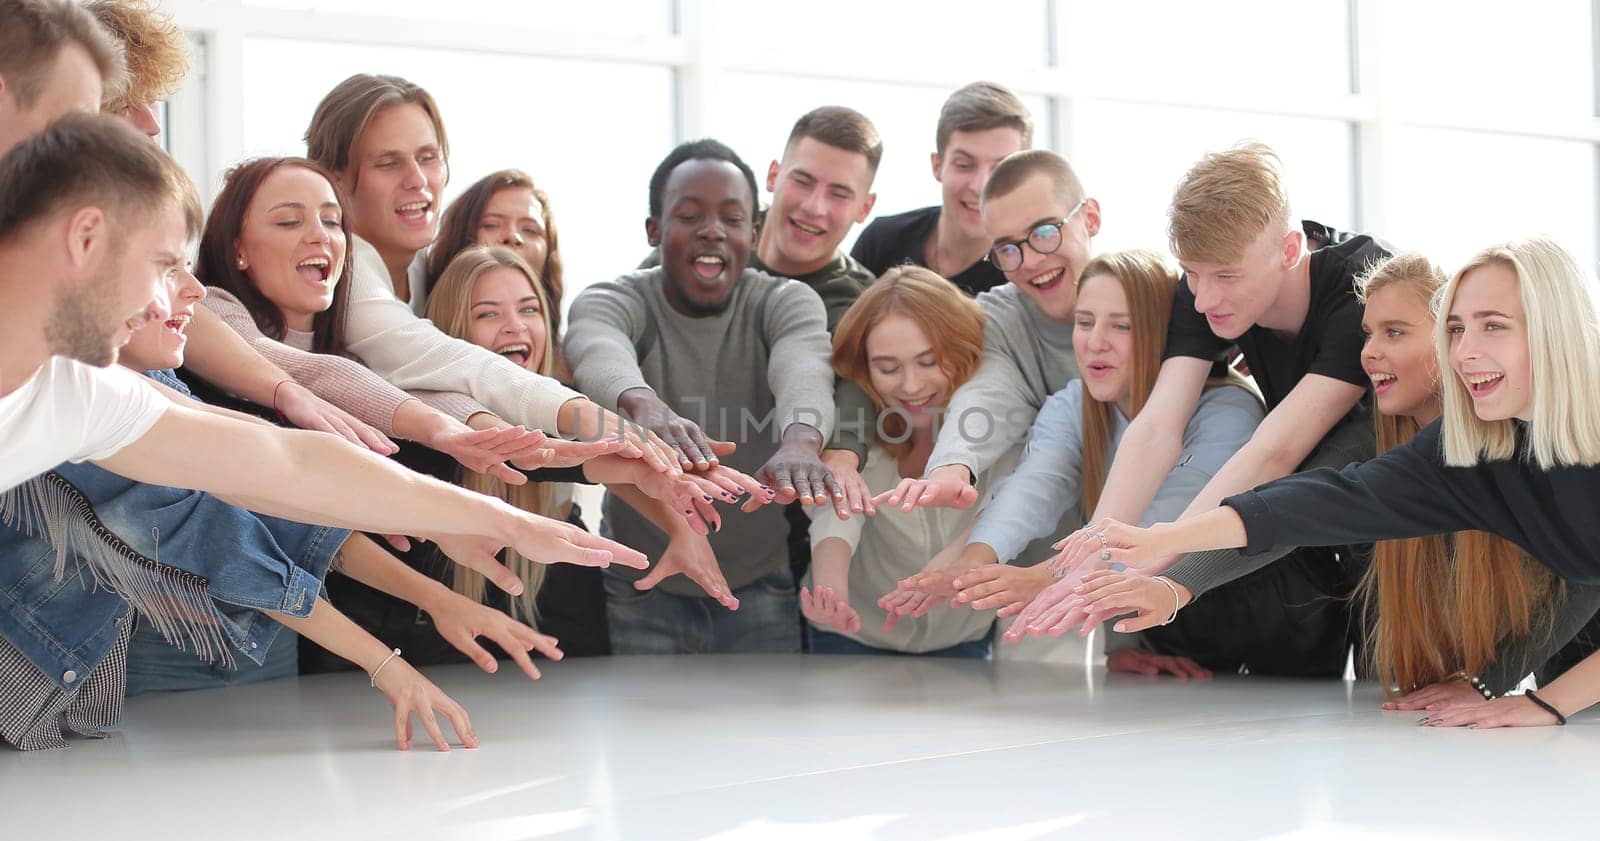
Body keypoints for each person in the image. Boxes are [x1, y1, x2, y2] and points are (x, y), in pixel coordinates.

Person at [0, 115, 646, 748]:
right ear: (86, 238)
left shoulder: (84, 392)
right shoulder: (104, 376)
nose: (181, 299)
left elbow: (288, 463)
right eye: (165, 265)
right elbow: (229, 512)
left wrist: (502, 520)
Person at [1071, 236, 1600, 728]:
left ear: (1554, 327)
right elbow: (1320, 503)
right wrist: (1166, 542)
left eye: (1494, 325)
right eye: (1457, 329)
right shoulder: (1468, 451)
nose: (1463, 352)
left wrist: (1542, 702)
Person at [1014, 143, 1390, 678]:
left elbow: (1275, 452)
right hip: (1320, 521)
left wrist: (1158, 547)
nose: (1205, 297)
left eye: (1226, 277)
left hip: (1407, 521)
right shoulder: (1203, 291)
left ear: (1288, 249)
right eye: (1192, 273)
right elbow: (1156, 429)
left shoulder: (1362, 287)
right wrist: (1095, 550)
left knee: (1395, 693)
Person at [303, 73, 675, 470]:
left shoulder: (426, 270)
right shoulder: (344, 271)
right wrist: (591, 419)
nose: (417, 180)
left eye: (428, 158)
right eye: (388, 163)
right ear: (334, 180)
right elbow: (457, 363)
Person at [920, 250, 1262, 676]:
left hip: (1254, 631)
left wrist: (1049, 575)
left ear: (1167, 334)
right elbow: (1037, 483)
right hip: (1155, 632)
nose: (1096, 341)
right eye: (1085, 322)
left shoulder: (1229, 408)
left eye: (1121, 325)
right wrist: (974, 561)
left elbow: (1170, 522)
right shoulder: (1072, 403)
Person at [565, 139, 838, 653]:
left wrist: (802, 441)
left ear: (753, 234)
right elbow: (596, 347)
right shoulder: (616, 298)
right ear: (655, 230)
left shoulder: (783, 301)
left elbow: (803, 365)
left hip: (759, 587)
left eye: (732, 219)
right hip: (642, 586)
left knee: (769, 734)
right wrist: (644, 406)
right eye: (690, 215)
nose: (713, 230)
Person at [800, 266, 996, 656]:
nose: (910, 385)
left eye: (928, 362)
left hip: (963, 640)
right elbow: (838, 514)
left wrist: (949, 565)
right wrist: (830, 589)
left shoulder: (992, 421)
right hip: (852, 636)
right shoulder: (853, 431)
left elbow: (1003, 505)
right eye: (888, 368)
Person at [850, 81, 1031, 297]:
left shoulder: (1025, 270)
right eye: (964, 165)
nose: (981, 186)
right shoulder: (882, 242)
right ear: (937, 166)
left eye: (1000, 169)